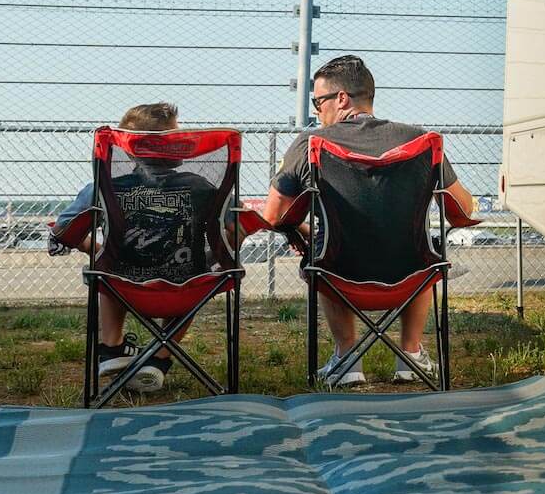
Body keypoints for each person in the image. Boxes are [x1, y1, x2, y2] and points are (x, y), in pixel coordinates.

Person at [263, 54, 474, 388]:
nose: (317, 112)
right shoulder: (421, 142)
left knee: (323, 251)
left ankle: (348, 357)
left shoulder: (310, 144)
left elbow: (272, 215)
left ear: (342, 99)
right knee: (424, 247)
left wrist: (300, 229)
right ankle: (410, 354)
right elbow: (463, 209)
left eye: (318, 102)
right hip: (411, 275)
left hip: (340, 275)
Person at [52, 102, 215, 392]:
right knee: (196, 275)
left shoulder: (103, 186)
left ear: (128, 150)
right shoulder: (200, 186)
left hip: (123, 286)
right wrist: (212, 258)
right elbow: (236, 228)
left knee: (109, 264)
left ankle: (111, 347)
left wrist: (99, 248)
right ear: (173, 148)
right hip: (181, 289)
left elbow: (64, 229)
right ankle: (159, 359)